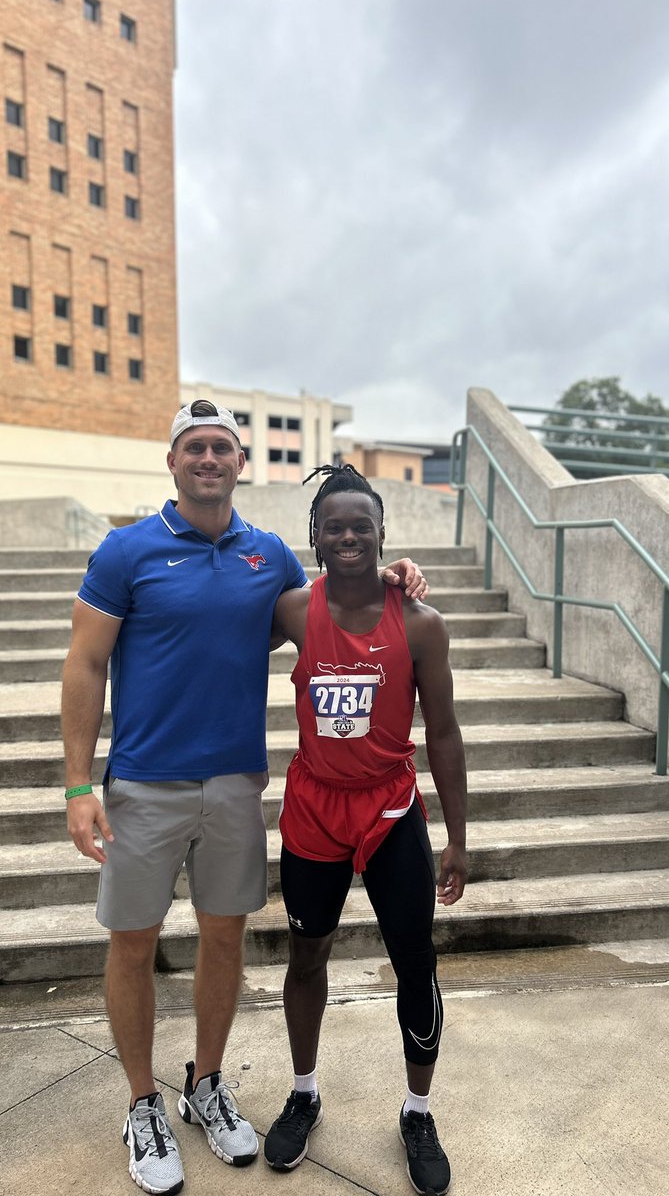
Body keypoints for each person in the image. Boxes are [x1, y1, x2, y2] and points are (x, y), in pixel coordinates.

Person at [60, 400, 426, 1195]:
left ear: (239, 460)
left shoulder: (269, 556)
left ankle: (207, 1084)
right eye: (193, 446)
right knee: (132, 943)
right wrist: (79, 784)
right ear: (173, 461)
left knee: (224, 938)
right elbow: (84, 664)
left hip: (233, 783)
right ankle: (142, 1104)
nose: (208, 458)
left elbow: (333, 603)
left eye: (221, 446)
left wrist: (390, 578)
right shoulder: (127, 551)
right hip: (143, 784)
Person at [262, 464, 468, 1196]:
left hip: (389, 811)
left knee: (416, 962)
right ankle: (304, 1093)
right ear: (315, 538)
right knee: (307, 954)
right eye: (335, 527)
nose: (349, 536)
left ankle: (418, 1112)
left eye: (362, 526)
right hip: (315, 808)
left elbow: (444, 731)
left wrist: (458, 837)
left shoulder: (420, 623)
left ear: (383, 534)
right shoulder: (293, 610)